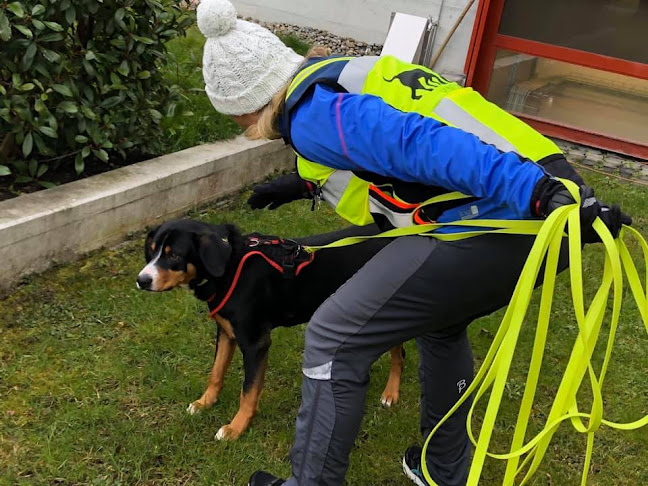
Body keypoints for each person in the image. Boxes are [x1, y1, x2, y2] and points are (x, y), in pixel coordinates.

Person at [196, 1, 631, 485]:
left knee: (333, 339)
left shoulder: (313, 117)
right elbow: (388, 148)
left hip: (512, 213)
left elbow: (417, 142)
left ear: (245, 105)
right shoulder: (342, 77)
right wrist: (558, 190)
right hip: (538, 203)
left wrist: (536, 193)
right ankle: (443, 469)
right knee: (440, 324)